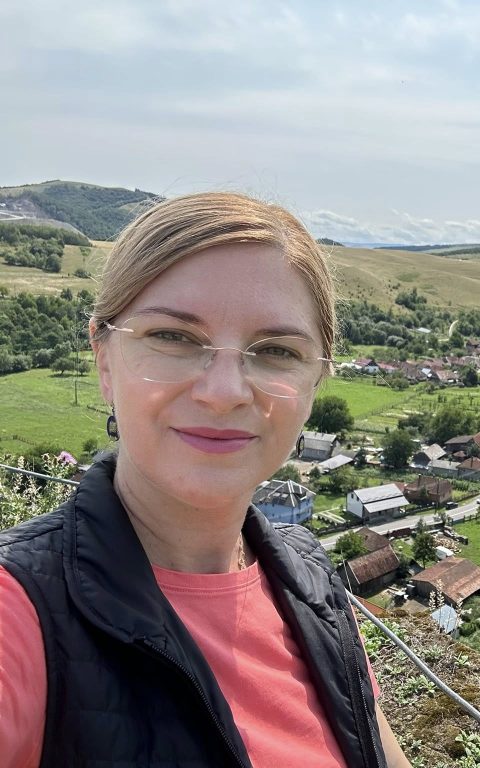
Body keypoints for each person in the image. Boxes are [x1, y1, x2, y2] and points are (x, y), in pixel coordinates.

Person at [0, 192, 411, 767]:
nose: (224, 393)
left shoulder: (312, 582)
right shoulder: (19, 610)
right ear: (104, 359)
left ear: (315, 383)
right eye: (173, 337)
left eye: (275, 350)